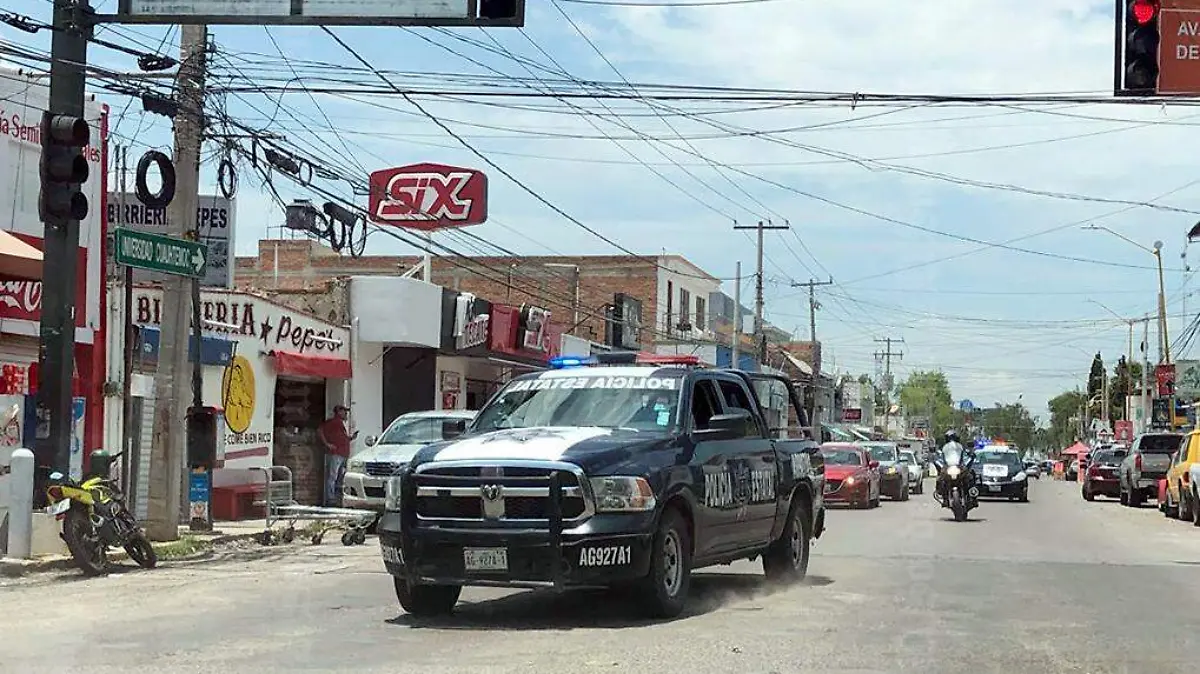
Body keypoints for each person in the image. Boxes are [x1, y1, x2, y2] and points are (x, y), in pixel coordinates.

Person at [318, 405, 358, 506]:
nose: (346, 414)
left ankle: (338, 498)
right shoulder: (333, 422)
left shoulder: (340, 424)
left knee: (340, 478)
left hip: (343, 454)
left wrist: (351, 438)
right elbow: (320, 430)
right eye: (344, 412)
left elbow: (342, 438)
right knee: (333, 477)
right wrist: (327, 444)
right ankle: (330, 499)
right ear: (339, 412)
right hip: (336, 454)